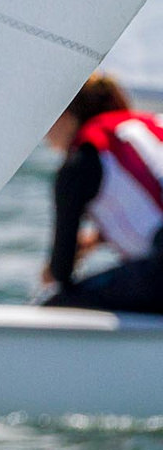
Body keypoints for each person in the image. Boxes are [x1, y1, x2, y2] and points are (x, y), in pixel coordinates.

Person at [40, 72, 163, 314]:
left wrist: (57, 266)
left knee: (56, 306)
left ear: (66, 116)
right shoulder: (151, 123)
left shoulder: (82, 158)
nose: (44, 134)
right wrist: (97, 240)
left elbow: (61, 272)